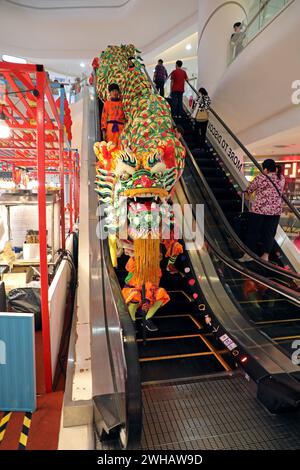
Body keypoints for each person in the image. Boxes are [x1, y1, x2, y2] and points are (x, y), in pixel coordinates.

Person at [239, 159, 285, 263]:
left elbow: (249, 190)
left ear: (265, 169)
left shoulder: (261, 178)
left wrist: (246, 195)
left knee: (253, 232)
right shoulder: (281, 178)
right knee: (269, 233)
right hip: (275, 211)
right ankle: (265, 256)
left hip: (259, 210)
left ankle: (249, 255)